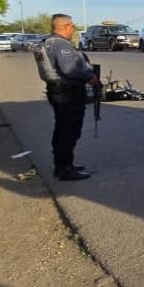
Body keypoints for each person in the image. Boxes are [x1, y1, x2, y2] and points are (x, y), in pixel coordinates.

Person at [43, 14, 99, 181]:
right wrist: (89, 77)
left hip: (58, 91)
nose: (74, 29)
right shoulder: (61, 45)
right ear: (65, 26)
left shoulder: (48, 42)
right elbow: (70, 69)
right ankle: (66, 169)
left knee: (61, 129)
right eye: (72, 26)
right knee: (69, 131)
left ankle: (61, 165)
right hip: (68, 93)